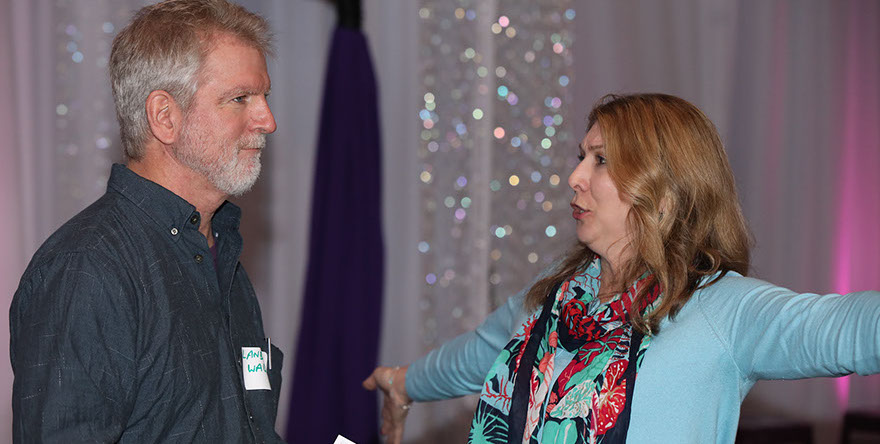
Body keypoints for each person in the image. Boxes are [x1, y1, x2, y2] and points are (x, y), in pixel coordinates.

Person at [364, 93, 880, 443]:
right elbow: (481, 352)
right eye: (581, 157)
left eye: (601, 160)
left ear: (664, 189)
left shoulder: (722, 309)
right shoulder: (559, 292)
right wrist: (404, 382)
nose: (575, 177)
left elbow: (848, 330)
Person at [9, 1, 285, 442]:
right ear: (165, 116)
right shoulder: (89, 269)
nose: (267, 121)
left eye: (264, 97)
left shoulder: (221, 250)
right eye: (240, 99)